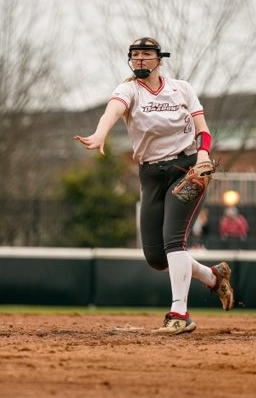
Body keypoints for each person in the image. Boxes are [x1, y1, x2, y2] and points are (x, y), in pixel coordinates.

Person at [75, 37, 234, 334]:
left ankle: (179, 314)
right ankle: (214, 277)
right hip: (150, 175)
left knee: (174, 241)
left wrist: (202, 157)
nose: (139, 60)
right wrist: (99, 134)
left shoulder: (181, 88)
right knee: (156, 258)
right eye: (135, 55)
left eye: (146, 54)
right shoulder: (129, 90)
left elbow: (203, 130)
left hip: (186, 169)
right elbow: (112, 110)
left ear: (160, 59)